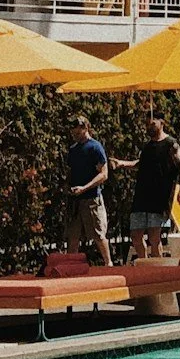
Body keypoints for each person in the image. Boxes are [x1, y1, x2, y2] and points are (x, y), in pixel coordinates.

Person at [116, 114, 180, 260]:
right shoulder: (148, 147)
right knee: (136, 235)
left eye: (153, 123)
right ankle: (144, 263)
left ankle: (157, 268)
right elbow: (142, 164)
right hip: (142, 195)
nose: (150, 126)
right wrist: (123, 163)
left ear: (162, 123)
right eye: (148, 124)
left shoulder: (170, 144)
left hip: (159, 196)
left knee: (154, 237)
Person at [63, 114, 113, 267]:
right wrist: (67, 186)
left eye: (77, 132)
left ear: (85, 128)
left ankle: (108, 263)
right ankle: (71, 267)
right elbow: (71, 172)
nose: (75, 135)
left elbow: (103, 174)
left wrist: (85, 188)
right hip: (76, 200)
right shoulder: (73, 150)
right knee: (73, 236)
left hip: (92, 198)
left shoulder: (95, 147)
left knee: (98, 234)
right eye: (73, 132)